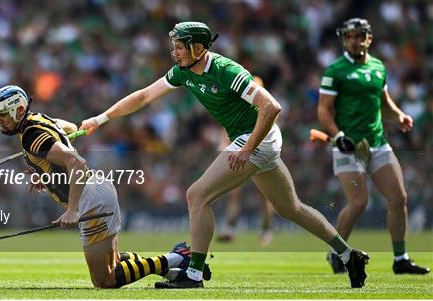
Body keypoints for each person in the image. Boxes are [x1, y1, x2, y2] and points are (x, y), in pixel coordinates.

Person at [80, 21, 369, 289]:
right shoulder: (183, 71)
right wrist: (101, 118)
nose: (174, 52)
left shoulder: (226, 70)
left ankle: (193, 274)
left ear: (197, 48)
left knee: (197, 195)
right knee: (290, 208)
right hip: (254, 140)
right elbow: (143, 96)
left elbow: (271, 107)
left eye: (180, 46)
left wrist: (247, 149)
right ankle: (348, 255)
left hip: (258, 138)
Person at [0, 85, 211, 288]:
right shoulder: (38, 121)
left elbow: (77, 162)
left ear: (20, 111)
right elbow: (70, 128)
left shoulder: (31, 135)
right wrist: (45, 174)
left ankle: (176, 257)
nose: (0, 121)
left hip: (90, 197)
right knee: (111, 262)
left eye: (3, 115)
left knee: (105, 279)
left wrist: (72, 209)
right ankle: (174, 268)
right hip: (96, 192)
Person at [317, 18, 430, 275]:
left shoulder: (379, 67)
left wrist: (399, 116)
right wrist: (338, 136)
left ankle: (400, 259)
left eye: (358, 36)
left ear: (369, 38)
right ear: (344, 39)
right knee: (358, 202)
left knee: (399, 197)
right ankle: (337, 252)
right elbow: (323, 111)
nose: (353, 41)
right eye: (348, 36)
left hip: (378, 143)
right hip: (348, 147)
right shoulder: (335, 70)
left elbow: (384, 102)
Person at [216, 76, 275, 246]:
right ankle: (229, 229)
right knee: (234, 194)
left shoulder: (266, 110)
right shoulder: (239, 108)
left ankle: (265, 231)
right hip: (240, 154)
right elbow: (226, 132)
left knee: (265, 196)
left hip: (260, 154)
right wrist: (224, 147)